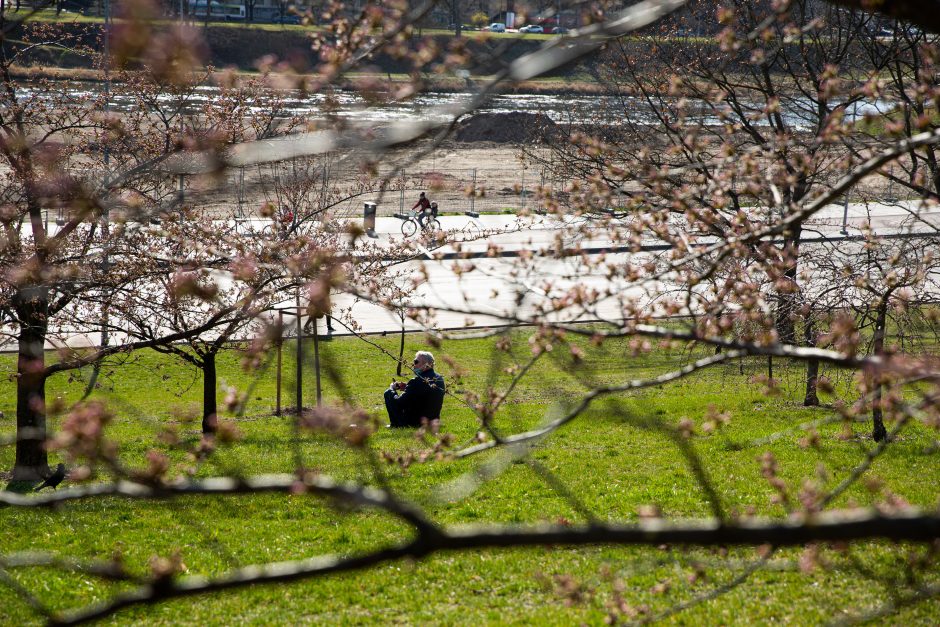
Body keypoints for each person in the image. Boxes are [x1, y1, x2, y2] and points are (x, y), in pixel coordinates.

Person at [384, 351, 445, 428]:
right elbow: (425, 393)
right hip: (432, 422)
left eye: (416, 362)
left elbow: (399, 403)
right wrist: (407, 387)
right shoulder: (439, 379)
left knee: (388, 393)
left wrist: (392, 389)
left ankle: (396, 424)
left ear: (426, 364)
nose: (413, 365)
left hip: (414, 423)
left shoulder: (415, 381)